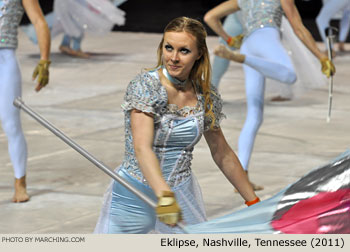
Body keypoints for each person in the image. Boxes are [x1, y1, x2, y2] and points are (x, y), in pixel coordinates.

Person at [94, 16, 259, 234]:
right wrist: (164, 195)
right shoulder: (146, 85)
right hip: (135, 192)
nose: (173, 58)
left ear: (199, 54)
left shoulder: (206, 95)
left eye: (184, 51)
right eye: (168, 48)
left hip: (180, 192)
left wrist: (254, 203)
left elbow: (222, 153)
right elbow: (142, 148)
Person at [204, 0, 335, 190]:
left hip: (249, 45)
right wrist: (321, 56)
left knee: (254, 115)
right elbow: (299, 29)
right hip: (266, 39)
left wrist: (230, 40)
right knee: (289, 75)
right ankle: (238, 57)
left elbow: (210, 17)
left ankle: (242, 177)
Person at [0, 0, 51, 202]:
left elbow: (39, 21)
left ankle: (20, 182)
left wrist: (44, 60)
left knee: (11, 123)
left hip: (5, 59)